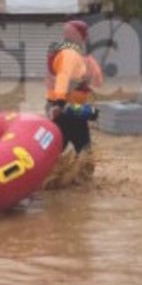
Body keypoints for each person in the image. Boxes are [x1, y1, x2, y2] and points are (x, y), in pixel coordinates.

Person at [44, 20, 103, 188]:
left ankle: (50, 179)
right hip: (67, 109)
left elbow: (97, 81)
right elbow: (63, 77)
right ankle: (83, 186)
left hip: (66, 109)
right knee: (85, 151)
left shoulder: (75, 55)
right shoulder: (70, 54)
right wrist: (60, 104)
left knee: (57, 148)